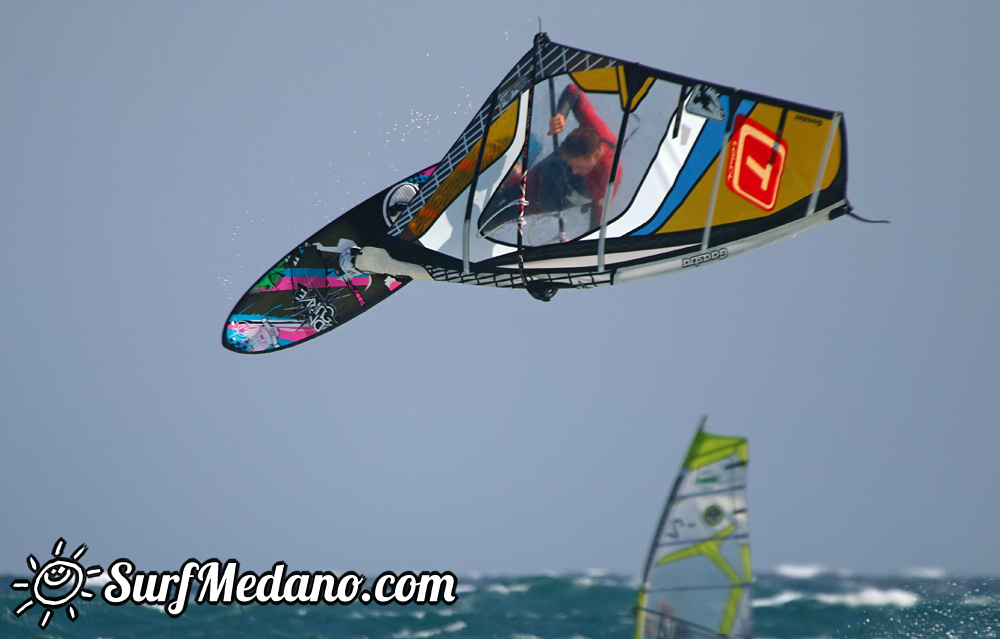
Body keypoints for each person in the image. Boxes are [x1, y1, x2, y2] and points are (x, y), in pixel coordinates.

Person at [480, 83, 621, 238]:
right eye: (573, 165)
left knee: (491, 221)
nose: (574, 170)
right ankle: (522, 163)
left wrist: (577, 245)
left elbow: (596, 226)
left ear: (596, 155)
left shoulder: (607, 178)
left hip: (569, 193)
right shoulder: (595, 131)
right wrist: (561, 115)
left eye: (579, 166)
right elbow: (573, 92)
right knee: (512, 188)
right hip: (556, 165)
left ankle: (516, 179)